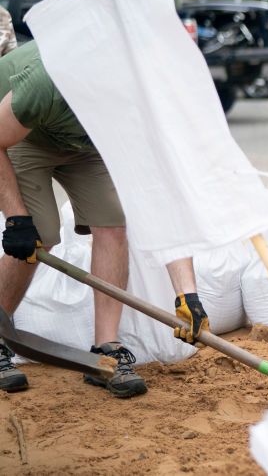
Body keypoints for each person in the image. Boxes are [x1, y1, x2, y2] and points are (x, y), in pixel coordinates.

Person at [0, 41, 209, 396]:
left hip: (87, 144)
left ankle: (105, 350)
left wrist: (187, 294)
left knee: (114, 224)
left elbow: (162, 203)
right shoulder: (47, 81)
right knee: (40, 234)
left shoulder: (142, 101)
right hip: (22, 136)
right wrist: (17, 219)